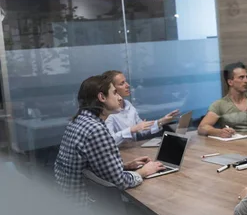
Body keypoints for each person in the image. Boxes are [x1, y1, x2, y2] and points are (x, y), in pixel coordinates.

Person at [54, 75, 165, 204]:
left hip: (67, 199)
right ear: (102, 97)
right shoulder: (96, 129)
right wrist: (143, 172)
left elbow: (92, 166)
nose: (119, 98)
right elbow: (119, 182)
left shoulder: (78, 122)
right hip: (88, 207)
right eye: (115, 93)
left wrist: (124, 166)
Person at [102, 70, 180, 146]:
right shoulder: (108, 112)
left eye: (125, 82)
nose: (128, 85)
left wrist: (161, 121)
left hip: (133, 150)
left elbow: (141, 128)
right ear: (112, 89)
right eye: (122, 83)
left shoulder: (128, 104)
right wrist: (131, 130)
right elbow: (108, 142)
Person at [198, 62, 247, 137]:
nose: (246, 81)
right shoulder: (219, 105)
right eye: (241, 77)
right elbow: (202, 128)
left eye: (246, 77)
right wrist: (218, 132)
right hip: (237, 145)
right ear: (230, 82)